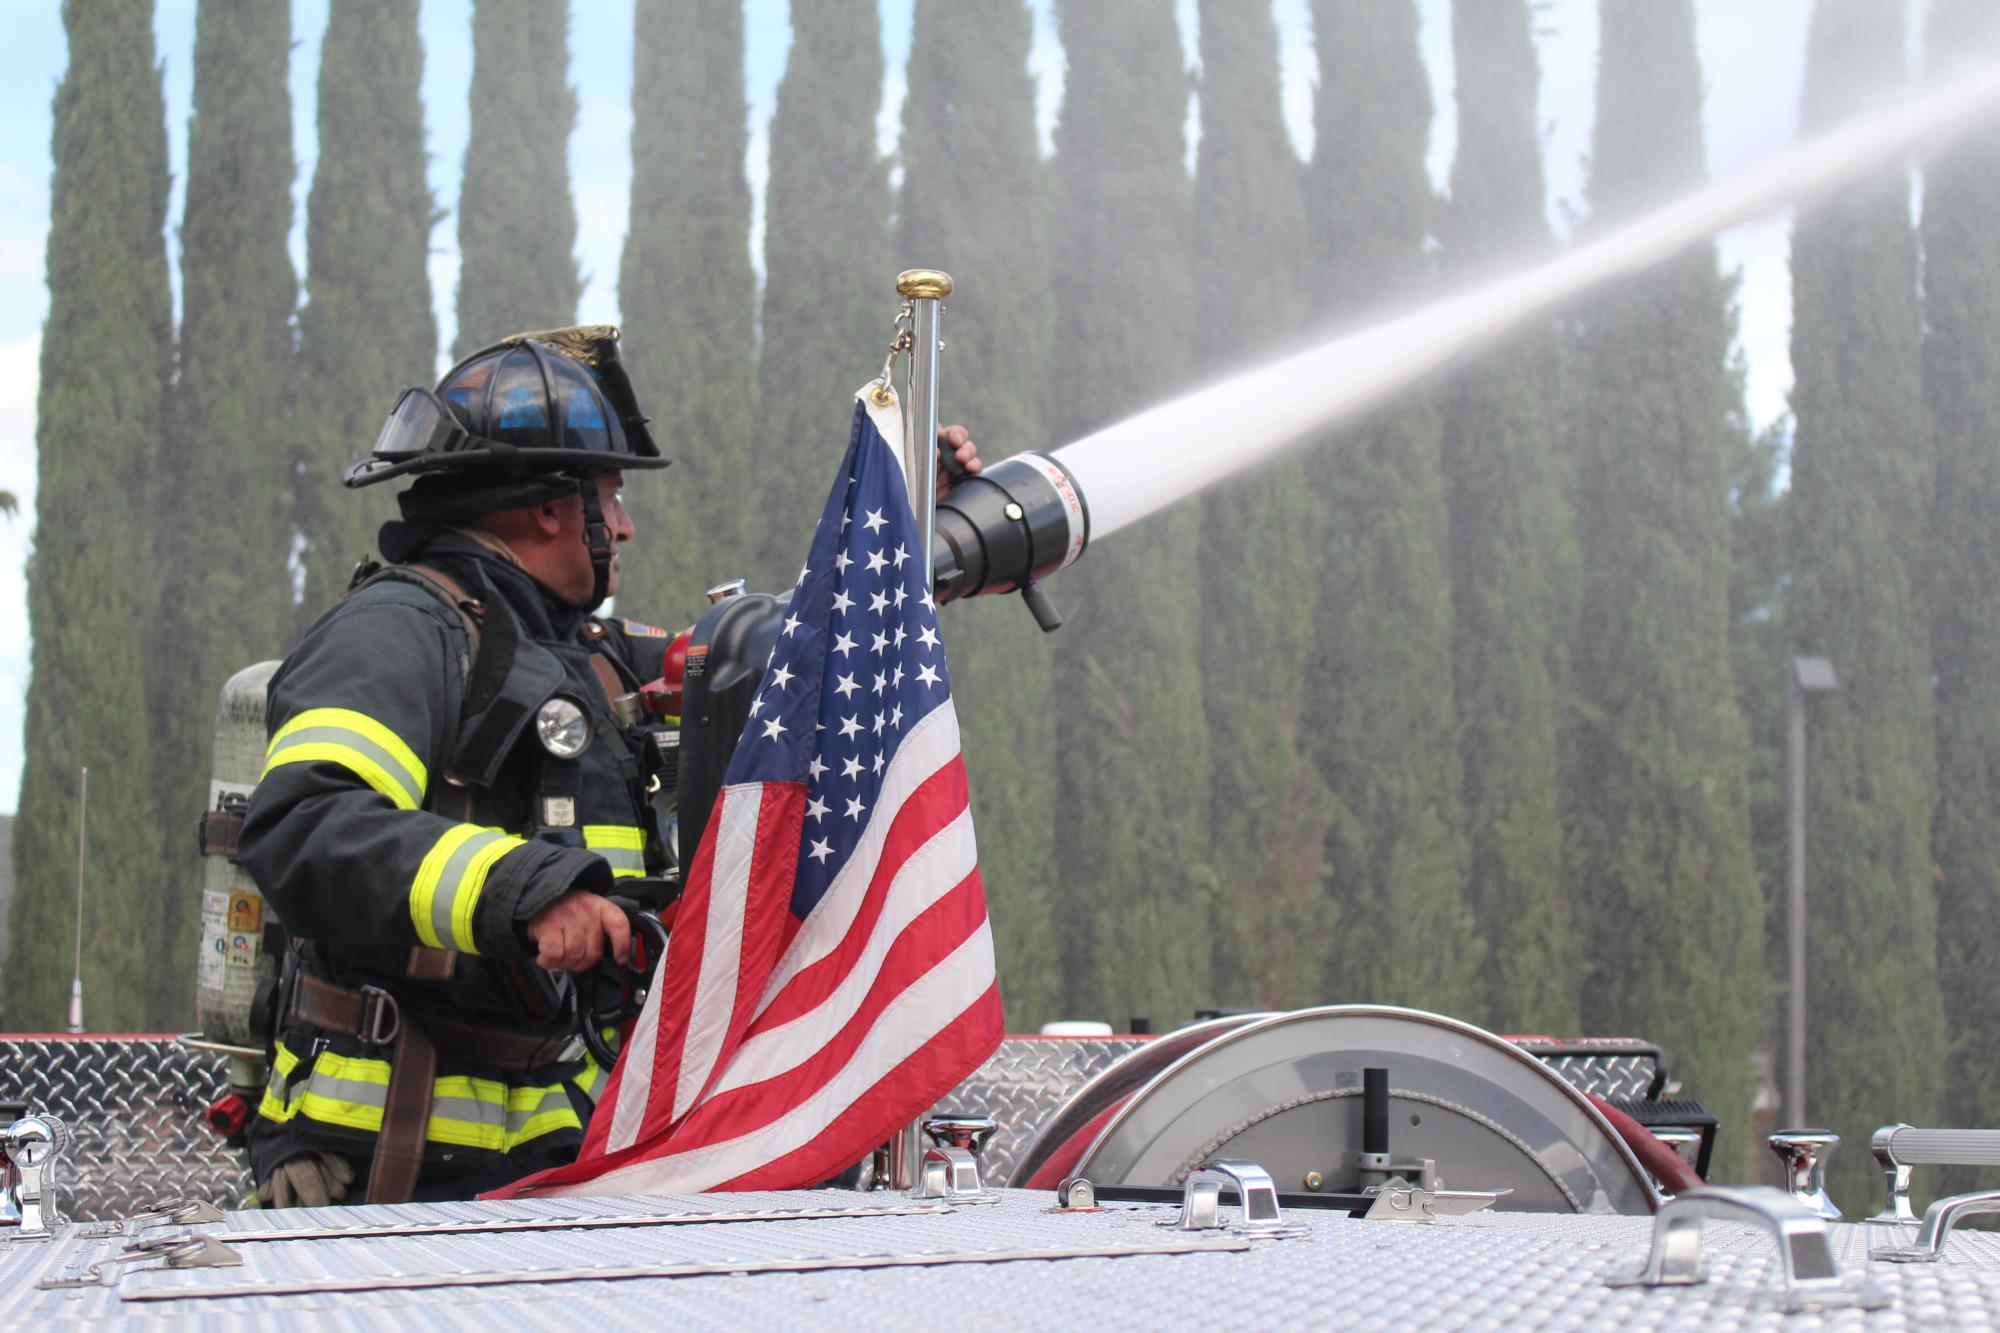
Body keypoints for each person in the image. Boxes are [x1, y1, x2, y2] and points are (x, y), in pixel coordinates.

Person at [239, 326, 980, 1205]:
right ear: (552, 507)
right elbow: (307, 826)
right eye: (611, 495)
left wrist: (915, 527)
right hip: (386, 1179)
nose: (624, 523)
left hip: (542, 1172)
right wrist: (525, 888)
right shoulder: (395, 632)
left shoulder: (580, 652)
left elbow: (776, 665)